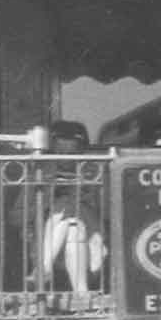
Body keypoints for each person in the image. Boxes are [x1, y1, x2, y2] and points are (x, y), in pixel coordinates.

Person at [38, 120, 106, 298]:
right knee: (72, 224)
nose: (66, 158)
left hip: (90, 240)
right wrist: (47, 198)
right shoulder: (40, 173)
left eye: (71, 153)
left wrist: (85, 196)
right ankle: (82, 294)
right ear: (53, 150)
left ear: (81, 151)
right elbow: (17, 215)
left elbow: (109, 210)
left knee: (69, 212)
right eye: (60, 153)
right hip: (53, 239)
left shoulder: (95, 172)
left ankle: (43, 267)